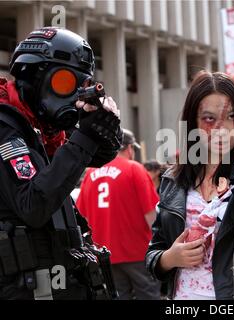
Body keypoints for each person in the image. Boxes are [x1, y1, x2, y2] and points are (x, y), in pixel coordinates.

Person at [0, 27, 122, 299]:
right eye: (65, 83)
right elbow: (33, 204)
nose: (73, 96)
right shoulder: (6, 127)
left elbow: (90, 158)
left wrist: (104, 129)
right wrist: (86, 135)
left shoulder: (42, 133)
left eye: (80, 87)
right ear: (34, 76)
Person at [146, 71, 234, 300]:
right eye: (209, 119)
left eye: (231, 116)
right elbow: (154, 253)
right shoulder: (173, 178)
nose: (222, 128)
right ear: (192, 123)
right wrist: (171, 258)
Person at [77, 128, 161, 300]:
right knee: (148, 295)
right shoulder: (134, 169)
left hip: (104, 253)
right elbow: (151, 215)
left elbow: (82, 216)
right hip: (138, 252)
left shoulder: (91, 173)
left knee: (117, 296)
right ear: (129, 148)